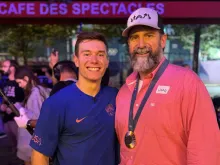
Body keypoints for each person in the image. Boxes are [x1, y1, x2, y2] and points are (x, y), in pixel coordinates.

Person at [115, 8, 220, 165]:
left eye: (149, 35)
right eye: (134, 37)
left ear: (163, 40)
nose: (141, 44)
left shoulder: (187, 83)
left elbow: (205, 152)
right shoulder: (124, 92)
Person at [30, 31, 119, 165]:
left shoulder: (116, 96)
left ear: (107, 61)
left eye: (100, 54)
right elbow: (40, 156)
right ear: (76, 60)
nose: (94, 60)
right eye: (87, 54)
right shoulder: (56, 103)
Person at [8, 66, 51, 165]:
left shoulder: (35, 93)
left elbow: (36, 117)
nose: (19, 86)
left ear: (26, 79)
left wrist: (21, 110)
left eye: (19, 82)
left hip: (33, 142)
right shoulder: (41, 90)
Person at [0, 59, 25, 165]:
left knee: (21, 142)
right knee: (12, 141)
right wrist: (3, 105)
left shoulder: (20, 82)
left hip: (17, 118)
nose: (2, 68)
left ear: (12, 67)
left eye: (5, 66)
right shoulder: (6, 83)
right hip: (7, 118)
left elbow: (25, 98)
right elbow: (6, 98)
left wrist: (16, 107)